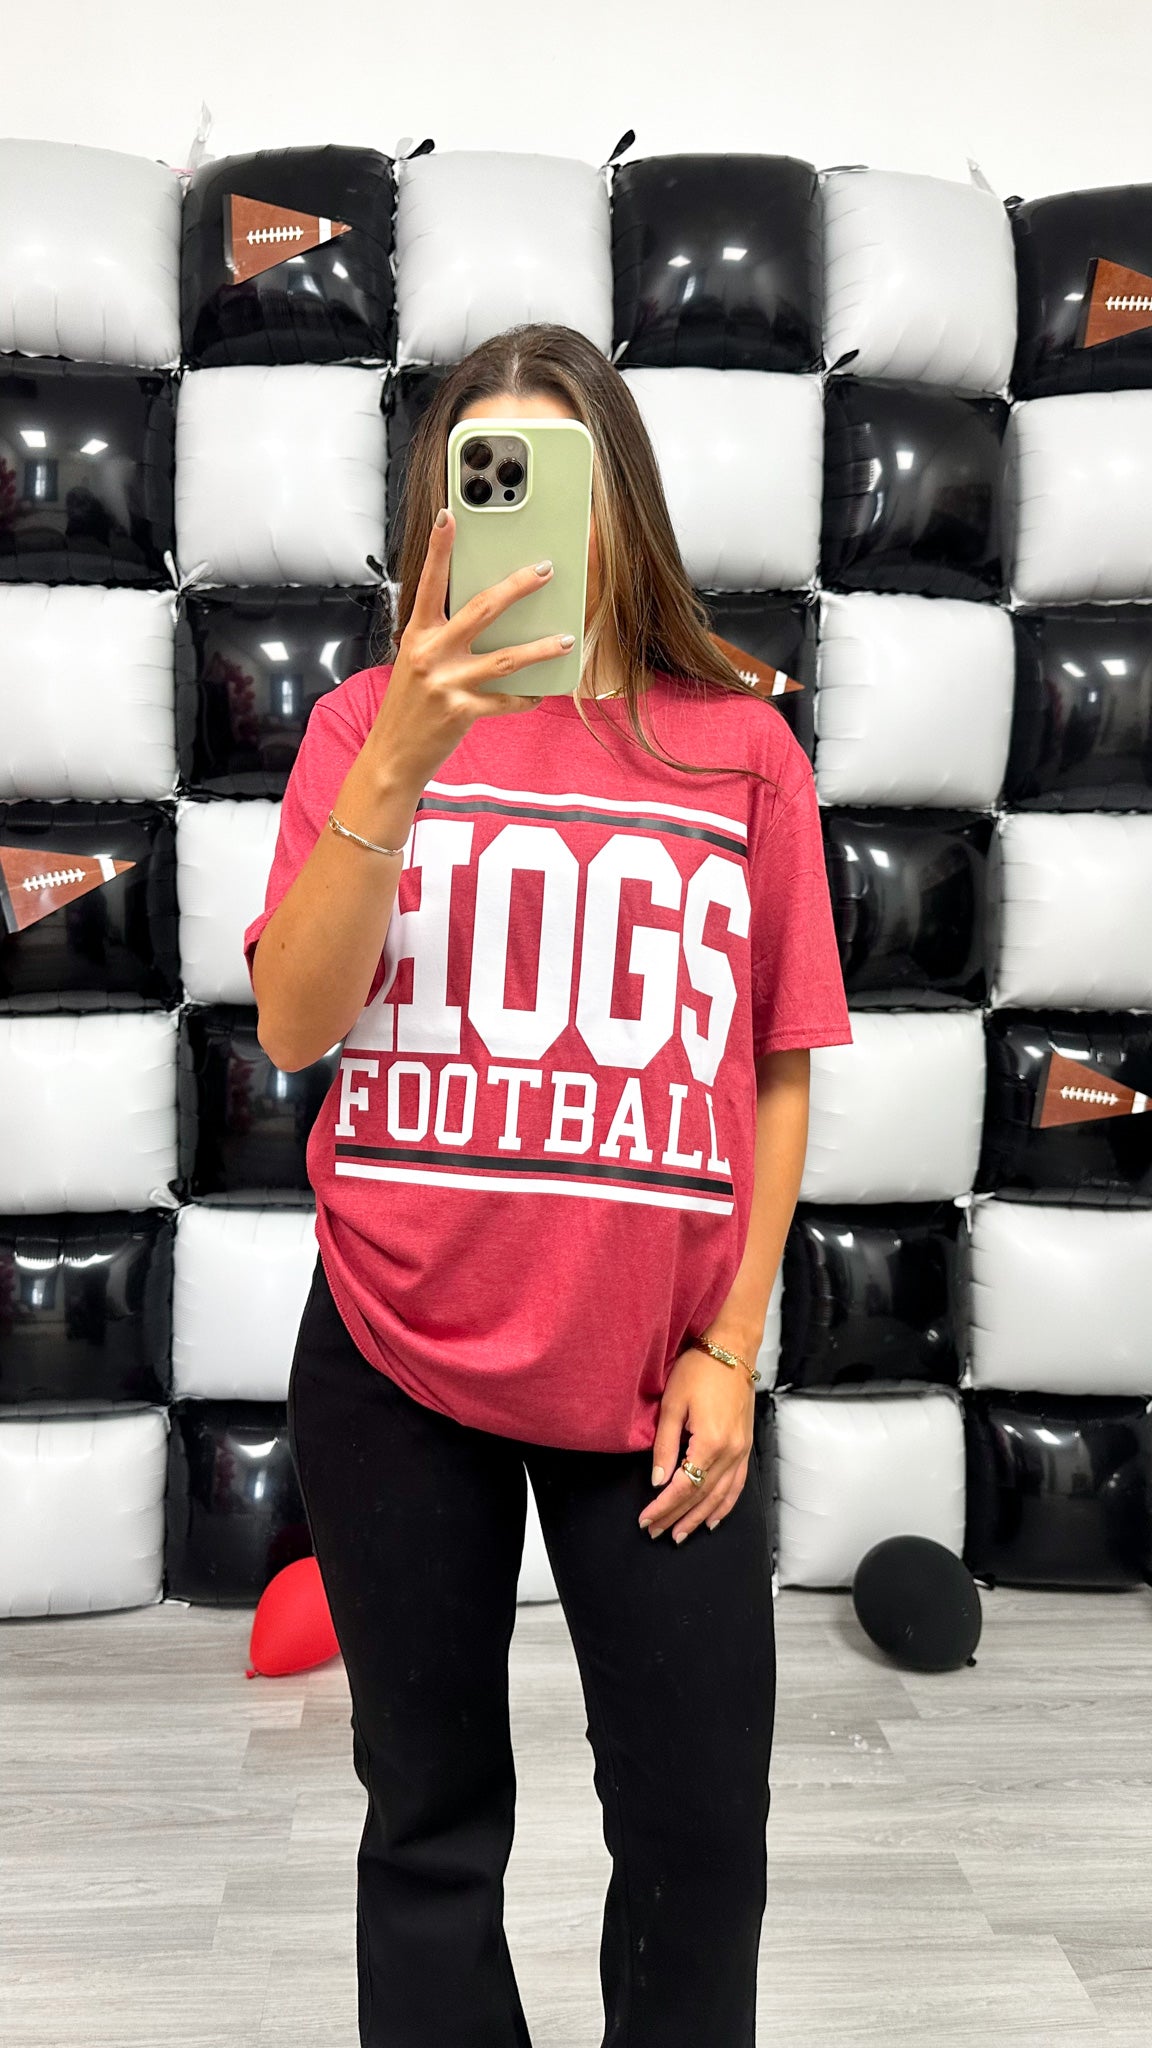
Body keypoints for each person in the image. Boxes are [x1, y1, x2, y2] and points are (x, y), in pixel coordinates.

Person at [244, 321, 853, 2048]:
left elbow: (779, 1063)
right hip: (393, 1353)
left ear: (617, 503)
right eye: (482, 482)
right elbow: (294, 1023)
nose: (522, 524)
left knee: (699, 1838)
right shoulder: (361, 728)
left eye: (551, 481)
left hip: (657, 1376)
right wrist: (399, 759)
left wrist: (733, 1344)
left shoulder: (740, 748)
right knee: (429, 1822)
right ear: (434, 515)